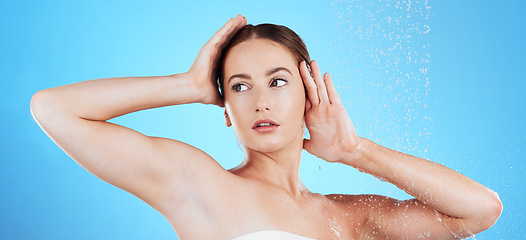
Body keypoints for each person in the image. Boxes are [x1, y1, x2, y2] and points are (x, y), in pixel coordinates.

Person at [30, 14, 502, 239]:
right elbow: (53, 109)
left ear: (308, 92)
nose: (260, 101)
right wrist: (187, 84)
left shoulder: (347, 217)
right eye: (238, 86)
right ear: (225, 108)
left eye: (277, 82)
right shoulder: (197, 184)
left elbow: (477, 212)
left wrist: (355, 152)